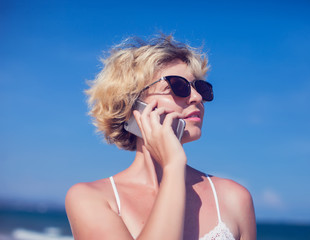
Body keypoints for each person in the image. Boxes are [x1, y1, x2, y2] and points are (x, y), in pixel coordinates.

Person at [65, 35, 256, 240]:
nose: (197, 98)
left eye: (200, 88)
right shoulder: (91, 198)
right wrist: (173, 167)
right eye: (178, 86)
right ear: (133, 105)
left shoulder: (234, 198)